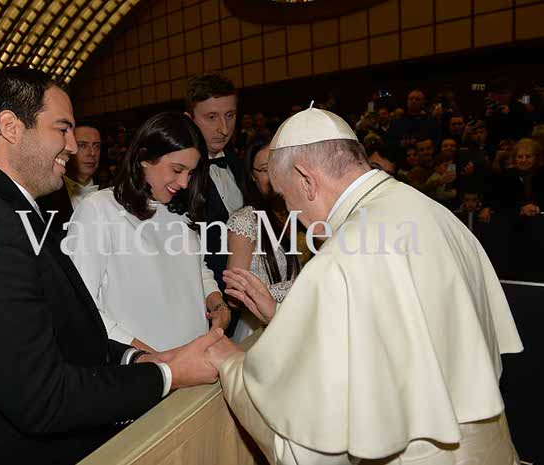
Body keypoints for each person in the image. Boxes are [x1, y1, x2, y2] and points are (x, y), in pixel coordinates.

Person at [0, 67, 223, 465]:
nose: (72, 145)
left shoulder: (15, 213)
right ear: (11, 127)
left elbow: (69, 331)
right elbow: (40, 397)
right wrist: (168, 375)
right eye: (62, 128)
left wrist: (142, 360)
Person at [206, 106, 523, 465]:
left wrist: (231, 365)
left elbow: (306, 452)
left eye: (284, 195)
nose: (290, 211)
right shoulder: (433, 212)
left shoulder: (340, 259)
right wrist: (282, 315)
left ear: (306, 179)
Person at [67, 112, 230, 352]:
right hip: (142, 366)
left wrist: (217, 302)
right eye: (177, 169)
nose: (184, 183)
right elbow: (82, 305)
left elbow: (196, 269)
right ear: (144, 158)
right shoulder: (99, 209)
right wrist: (150, 358)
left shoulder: (181, 210)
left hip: (196, 357)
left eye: (191, 173)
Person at [185, 73, 245, 336]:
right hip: (201, 305)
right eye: (211, 117)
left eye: (230, 115)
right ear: (189, 120)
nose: (223, 128)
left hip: (244, 299)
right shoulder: (179, 179)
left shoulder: (238, 165)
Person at [225, 141, 300, 342]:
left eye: (279, 166)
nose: (274, 176)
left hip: (296, 321)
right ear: (252, 175)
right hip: (258, 328)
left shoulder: (298, 214)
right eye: (266, 169)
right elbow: (234, 294)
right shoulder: (246, 219)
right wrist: (298, 287)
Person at [38, 122, 101, 239]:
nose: (92, 153)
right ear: (69, 148)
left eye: (97, 146)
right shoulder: (45, 196)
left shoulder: (115, 193)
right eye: (82, 145)